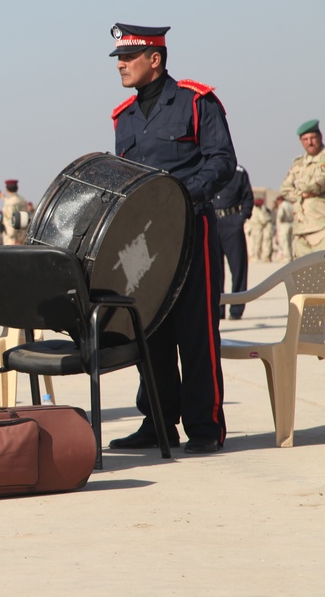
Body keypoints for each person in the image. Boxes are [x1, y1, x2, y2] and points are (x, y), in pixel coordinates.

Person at [106, 23, 235, 455]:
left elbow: (222, 161)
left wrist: (182, 196)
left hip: (190, 228)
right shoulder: (123, 118)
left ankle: (205, 426)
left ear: (155, 59)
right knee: (150, 329)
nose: (120, 64)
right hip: (144, 240)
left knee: (196, 329)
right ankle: (158, 421)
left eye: (128, 57)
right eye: (119, 59)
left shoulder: (197, 102)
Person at [280, 119, 325, 257]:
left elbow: (320, 183)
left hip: (321, 226)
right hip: (300, 229)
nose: (309, 142)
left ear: (320, 137)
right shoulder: (298, 163)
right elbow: (285, 189)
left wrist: (302, 189)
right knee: (302, 274)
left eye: (312, 138)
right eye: (305, 139)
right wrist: (302, 194)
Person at [214, 166, 253, 320]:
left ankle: (236, 309)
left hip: (232, 224)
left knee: (238, 268)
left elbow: (248, 198)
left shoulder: (239, 172)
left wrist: (241, 217)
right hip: (213, 223)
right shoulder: (209, 169)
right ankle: (218, 309)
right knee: (215, 270)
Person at [0, 179, 28, 245]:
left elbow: (12, 219)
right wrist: (4, 198)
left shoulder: (9, 203)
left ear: (7, 189)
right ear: (17, 188)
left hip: (12, 237)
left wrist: (12, 236)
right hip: (22, 235)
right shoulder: (22, 200)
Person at [246, 198, 272, 262]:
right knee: (257, 243)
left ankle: (253, 256)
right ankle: (256, 256)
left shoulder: (252, 209)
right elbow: (263, 220)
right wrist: (268, 218)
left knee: (252, 242)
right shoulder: (258, 210)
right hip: (257, 228)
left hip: (251, 228)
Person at [274, 194, 294, 261]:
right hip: (291, 224)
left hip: (284, 224)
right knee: (291, 241)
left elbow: (280, 215)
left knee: (285, 241)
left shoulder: (282, 205)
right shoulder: (290, 205)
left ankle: (287, 257)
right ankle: (291, 255)